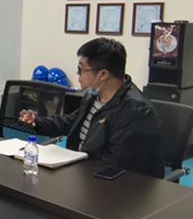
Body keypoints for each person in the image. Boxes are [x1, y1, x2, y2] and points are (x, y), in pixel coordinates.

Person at [18, 37, 163, 178]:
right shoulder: (93, 95)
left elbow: (116, 166)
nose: (77, 73)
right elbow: (73, 122)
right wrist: (36, 122)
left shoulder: (136, 111)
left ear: (103, 74)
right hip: (82, 172)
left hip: (114, 185)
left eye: (81, 69)